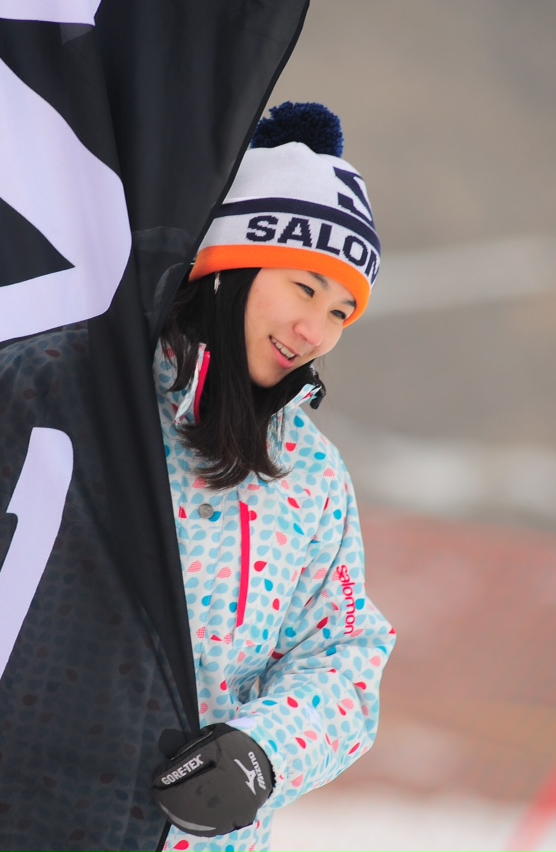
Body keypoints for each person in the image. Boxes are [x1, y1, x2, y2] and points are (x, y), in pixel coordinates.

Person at [149, 102, 395, 850]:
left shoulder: (312, 475)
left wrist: (261, 753)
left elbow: (342, 656)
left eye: (342, 313)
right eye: (304, 289)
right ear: (230, 265)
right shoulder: (88, 397)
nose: (315, 332)